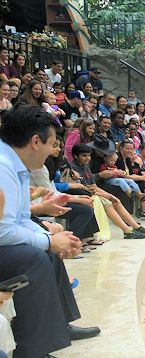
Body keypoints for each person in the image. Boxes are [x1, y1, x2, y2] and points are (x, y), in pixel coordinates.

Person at [0, 104, 101, 357]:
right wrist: (48, 241)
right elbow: (2, 231)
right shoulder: (3, 167)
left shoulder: (15, 165)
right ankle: (32, 351)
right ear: (36, 141)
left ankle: (60, 326)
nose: (54, 151)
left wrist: (49, 234)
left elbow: (20, 218)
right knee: (35, 259)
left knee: (47, 253)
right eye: (53, 143)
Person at [70, 143, 145, 239]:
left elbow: (94, 186)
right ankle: (126, 230)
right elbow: (82, 188)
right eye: (84, 156)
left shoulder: (85, 167)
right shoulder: (73, 169)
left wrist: (109, 195)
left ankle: (136, 227)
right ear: (75, 156)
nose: (87, 158)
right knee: (109, 202)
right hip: (84, 195)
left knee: (116, 200)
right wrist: (107, 196)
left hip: (92, 192)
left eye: (88, 155)